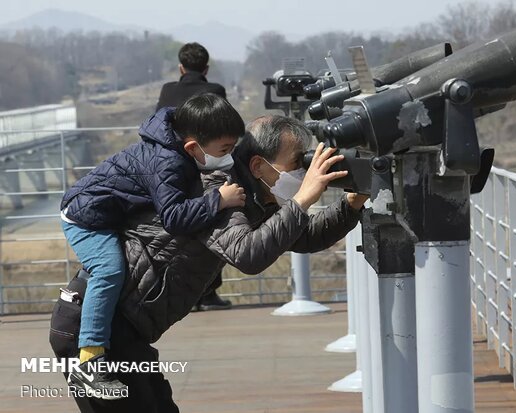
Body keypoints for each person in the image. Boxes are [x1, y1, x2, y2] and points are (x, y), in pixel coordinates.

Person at [50, 115, 368, 412]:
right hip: (95, 331)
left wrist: (351, 204)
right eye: (297, 163)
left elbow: (302, 236)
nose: (303, 173)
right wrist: (303, 198)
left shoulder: (254, 197)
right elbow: (248, 255)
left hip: (125, 330)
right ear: (258, 165)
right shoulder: (217, 191)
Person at [58, 93, 246, 398]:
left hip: (107, 213)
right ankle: (89, 361)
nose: (230, 155)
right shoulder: (167, 162)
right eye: (225, 149)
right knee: (108, 271)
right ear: (192, 147)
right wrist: (219, 200)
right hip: (84, 217)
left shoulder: (178, 148)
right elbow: (173, 217)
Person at [156, 41, 231, 311]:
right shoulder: (214, 90)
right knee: (211, 226)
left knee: (175, 232)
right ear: (206, 68)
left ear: (180, 67)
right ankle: (208, 294)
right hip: (206, 169)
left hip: (171, 169)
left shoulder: (167, 90)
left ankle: (177, 295)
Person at [156, 42, 226, 111]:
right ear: (206, 69)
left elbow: (158, 119)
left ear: (181, 69)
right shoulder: (217, 91)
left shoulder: (168, 89)